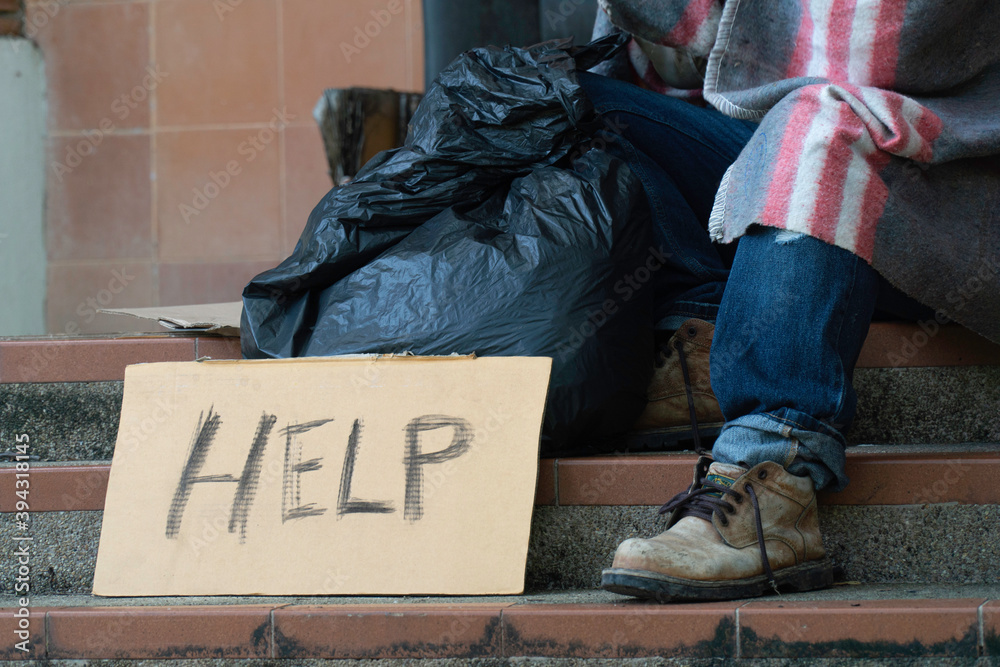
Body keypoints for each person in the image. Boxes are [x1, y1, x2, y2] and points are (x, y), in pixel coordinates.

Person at [582, 0, 1000, 601]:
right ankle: (704, 333)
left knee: (818, 116)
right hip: (787, 166)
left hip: (949, 195)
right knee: (560, 105)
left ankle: (772, 474)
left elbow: (865, 49)